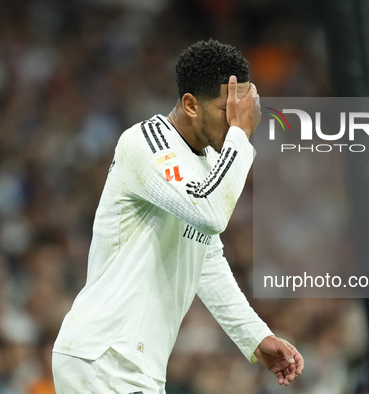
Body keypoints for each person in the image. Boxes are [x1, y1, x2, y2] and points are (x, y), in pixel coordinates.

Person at [52, 39, 304, 393]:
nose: (236, 120)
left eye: (241, 110)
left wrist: (255, 336)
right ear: (190, 104)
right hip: (105, 356)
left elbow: (207, 258)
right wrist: (241, 137)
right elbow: (210, 214)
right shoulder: (145, 143)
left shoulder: (208, 164)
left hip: (135, 365)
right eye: (226, 110)